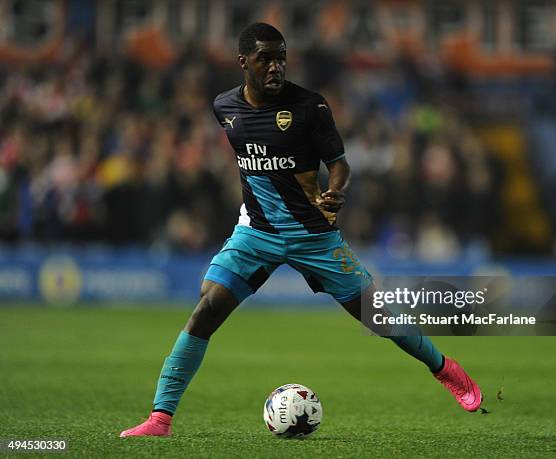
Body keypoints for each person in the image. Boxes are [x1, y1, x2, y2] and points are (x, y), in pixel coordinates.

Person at [120, 23, 482, 438]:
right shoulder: (224, 108)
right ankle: (160, 418)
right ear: (243, 63)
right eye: (265, 58)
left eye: (281, 57)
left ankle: (445, 369)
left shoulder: (311, 107)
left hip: (314, 235)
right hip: (256, 232)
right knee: (206, 308)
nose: (276, 66)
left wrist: (335, 191)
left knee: (376, 315)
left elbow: (340, 163)